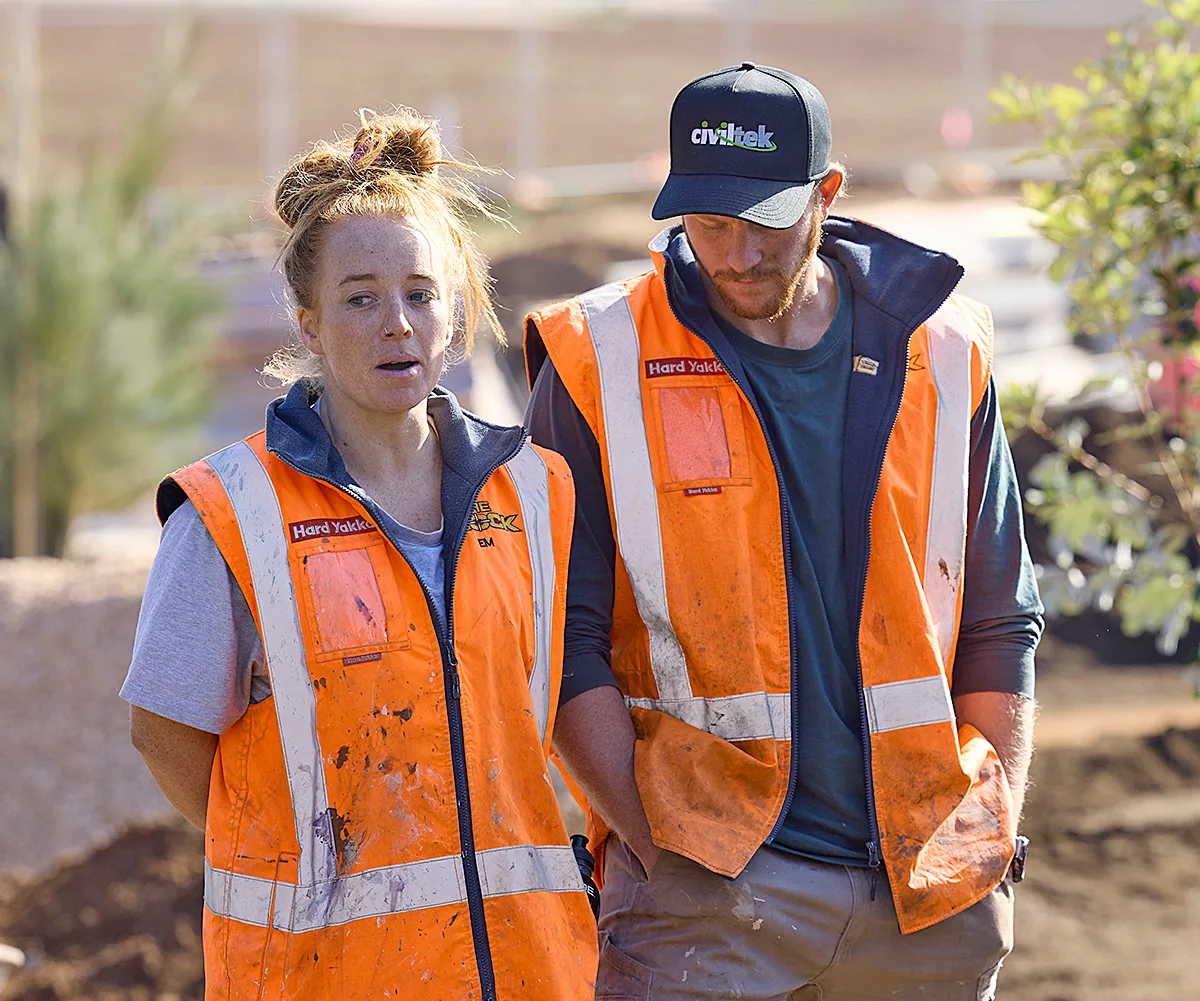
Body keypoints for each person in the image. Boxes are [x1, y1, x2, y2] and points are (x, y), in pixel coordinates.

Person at [525, 64, 1042, 1000]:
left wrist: (990, 825)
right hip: (703, 889)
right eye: (708, 224)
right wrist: (654, 849)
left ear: (827, 193)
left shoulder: (947, 351)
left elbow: (1001, 619)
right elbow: (559, 635)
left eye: (764, 221)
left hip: (923, 901)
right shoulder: (596, 358)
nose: (735, 256)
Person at [121, 109, 598, 1001]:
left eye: (420, 293)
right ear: (308, 322)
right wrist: (289, 845)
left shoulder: (536, 492)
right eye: (360, 296)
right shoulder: (232, 513)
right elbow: (165, 732)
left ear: (453, 313)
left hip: (527, 967)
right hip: (324, 975)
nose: (396, 324)